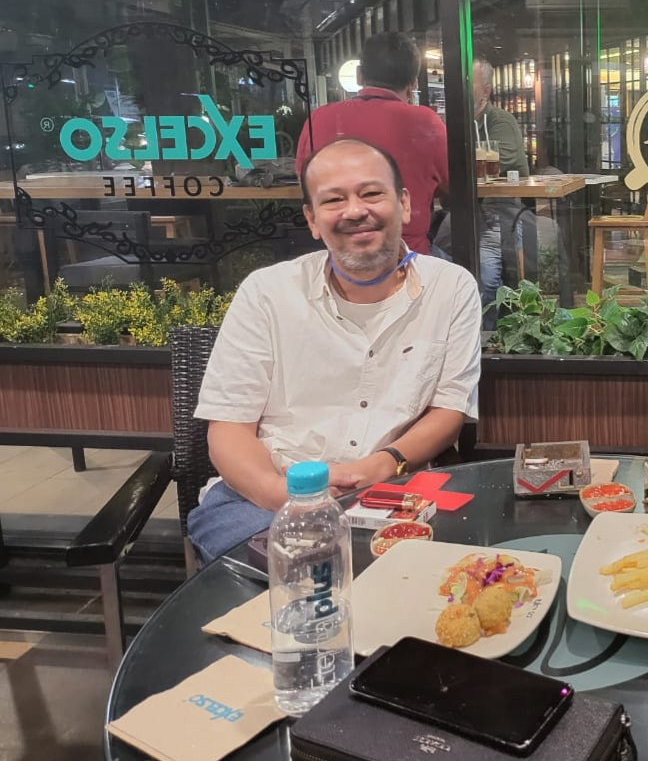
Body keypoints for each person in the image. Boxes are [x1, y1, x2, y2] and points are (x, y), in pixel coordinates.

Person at [187, 138, 482, 561]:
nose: (355, 211)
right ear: (312, 219)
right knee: (301, 572)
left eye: (371, 193)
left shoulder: (450, 288)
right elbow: (228, 429)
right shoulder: (267, 292)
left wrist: (384, 463)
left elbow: (448, 411)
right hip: (264, 497)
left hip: (396, 490)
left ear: (405, 204)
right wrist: (283, 495)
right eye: (333, 200)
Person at [295, 31, 449, 255]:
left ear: (359, 75)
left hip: (337, 252)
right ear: (412, 84)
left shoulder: (319, 118)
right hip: (407, 253)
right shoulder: (426, 121)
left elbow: (304, 182)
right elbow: (452, 184)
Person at [433, 58, 529, 327]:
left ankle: (486, 337)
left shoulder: (500, 120)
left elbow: (504, 159)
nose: (458, 90)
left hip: (498, 209)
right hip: (465, 209)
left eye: (467, 84)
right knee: (434, 260)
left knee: (486, 278)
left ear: (485, 92)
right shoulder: (456, 124)